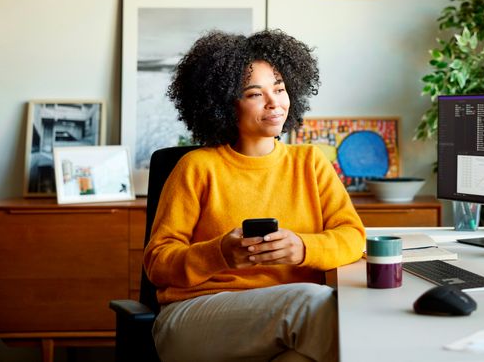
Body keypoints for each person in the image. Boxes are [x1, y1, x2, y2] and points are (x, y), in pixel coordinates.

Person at [144, 29, 366, 362]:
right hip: (196, 317)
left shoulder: (311, 162)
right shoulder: (196, 167)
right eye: (254, 94)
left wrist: (303, 248)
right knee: (320, 306)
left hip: (290, 322)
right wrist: (220, 253)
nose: (275, 102)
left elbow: (353, 238)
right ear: (222, 104)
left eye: (279, 88)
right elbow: (158, 264)